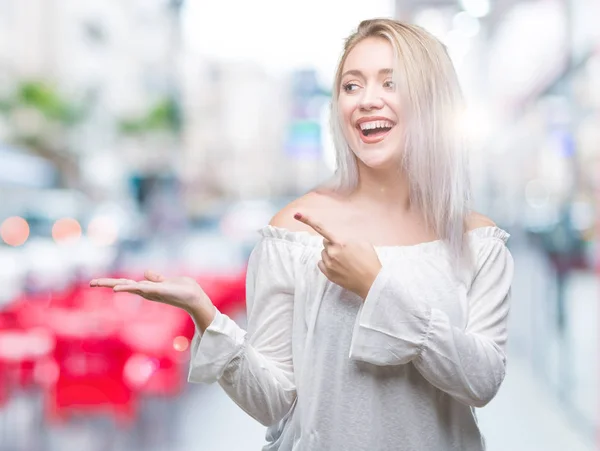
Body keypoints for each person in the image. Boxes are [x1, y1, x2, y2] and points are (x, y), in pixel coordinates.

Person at [90, 18, 514, 451]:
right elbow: (275, 402)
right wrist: (207, 315)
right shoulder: (295, 232)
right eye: (352, 86)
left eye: (391, 83)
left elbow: (480, 383)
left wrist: (375, 286)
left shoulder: (477, 241)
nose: (367, 101)